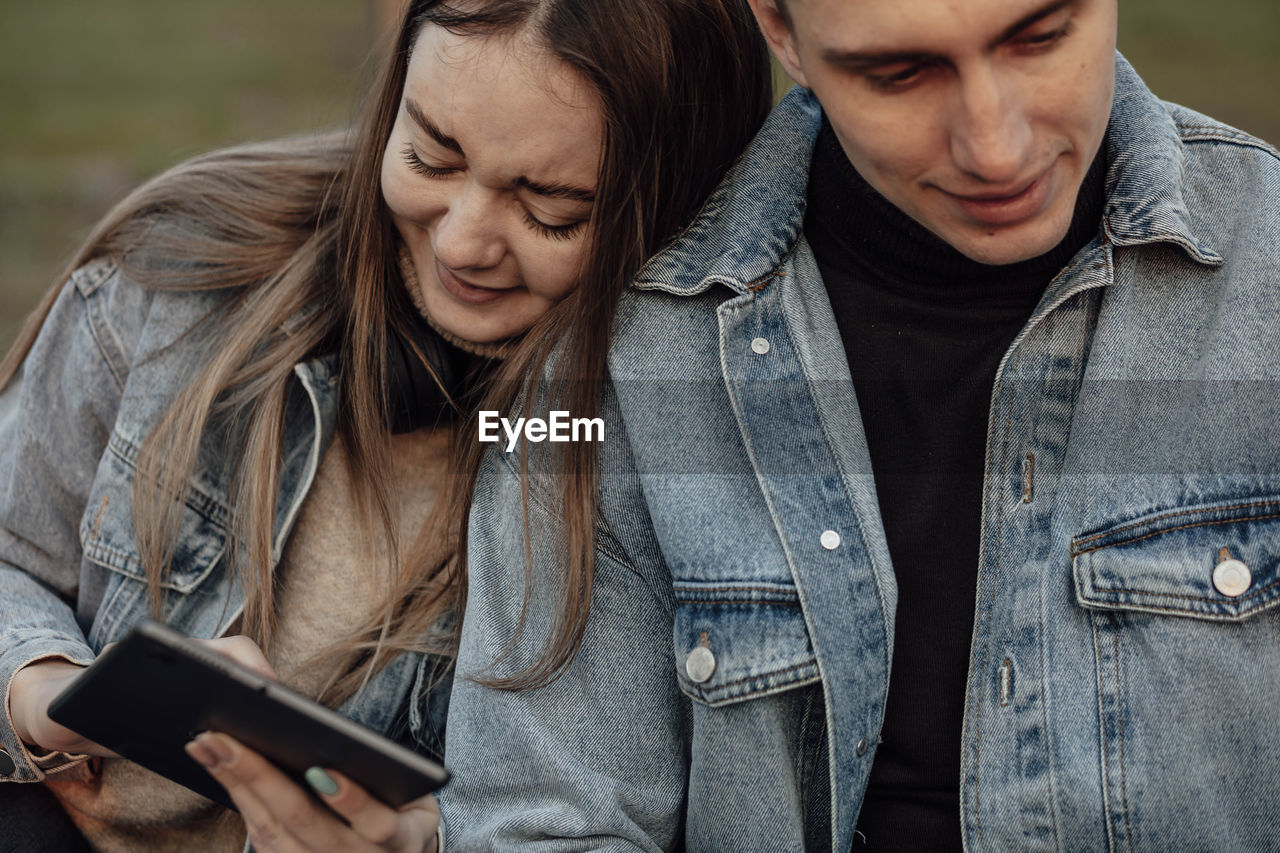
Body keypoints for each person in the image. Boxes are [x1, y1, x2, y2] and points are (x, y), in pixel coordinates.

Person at [441, 0, 1280, 849]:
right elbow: (540, 820)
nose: (996, 147)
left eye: (1039, 37)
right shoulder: (609, 370)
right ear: (780, 31)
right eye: (898, 73)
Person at [0, 0, 772, 850]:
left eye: (550, 207)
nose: (462, 243)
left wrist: (425, 838)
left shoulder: (654, 449)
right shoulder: (192, 270)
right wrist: (49, 694)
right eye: (430, 155)